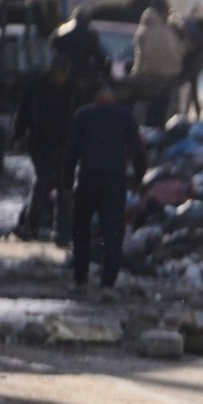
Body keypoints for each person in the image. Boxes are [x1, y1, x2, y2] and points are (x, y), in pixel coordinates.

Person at [64, 82, 146, 290]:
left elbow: (71, 152)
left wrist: (67, 181)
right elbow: (138, 150)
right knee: (113, 232)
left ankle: (81, 279)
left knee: (81, 228)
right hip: (114, 182)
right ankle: (107, 283)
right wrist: (139, 178)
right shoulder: (124, 115)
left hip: (87, 180)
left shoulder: (83, 115)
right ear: (112, 98)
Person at [14, 62, 83, 240]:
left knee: (64, 188)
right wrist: (18, 135)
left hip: (65, 146)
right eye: (58, 74)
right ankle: (31, 227)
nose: (60, 78)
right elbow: (23, 113)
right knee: (41, 185)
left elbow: (81, 117)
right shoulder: (36, 89)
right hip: (41, 145)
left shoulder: (73, 91)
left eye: (63, 74)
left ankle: (62, 232)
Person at [130, 6, 184, 126]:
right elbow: (179, 51)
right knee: (163, 106)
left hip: (150, 77)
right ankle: (161, 127)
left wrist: (135, 73)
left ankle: (148, 128)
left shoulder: (142, 32)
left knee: (146, 106)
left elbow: (140, 56)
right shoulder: (169, 32)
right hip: (170, 76)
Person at [176, 9, 203, 116]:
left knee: (180, 89)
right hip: (195, 65)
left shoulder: (191, 29)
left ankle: (184, 113)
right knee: (193, 91)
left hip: (186, 64)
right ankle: (193, 113)